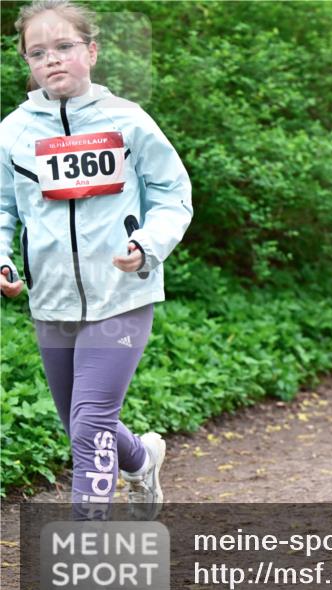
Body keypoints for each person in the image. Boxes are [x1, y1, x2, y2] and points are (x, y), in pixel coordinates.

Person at [0, 0, 192, 520]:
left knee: (89, 426)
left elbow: (173, 192)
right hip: (53, 298)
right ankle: (142, 459)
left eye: (64, 47)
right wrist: (3, 258)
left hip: (122, 294)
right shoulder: (14, 131)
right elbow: (1, 206)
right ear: (27, 63)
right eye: (38, 53)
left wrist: (148, 244)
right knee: (82, 423)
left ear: (92, 50)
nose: (52, 60)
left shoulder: (127, 120)